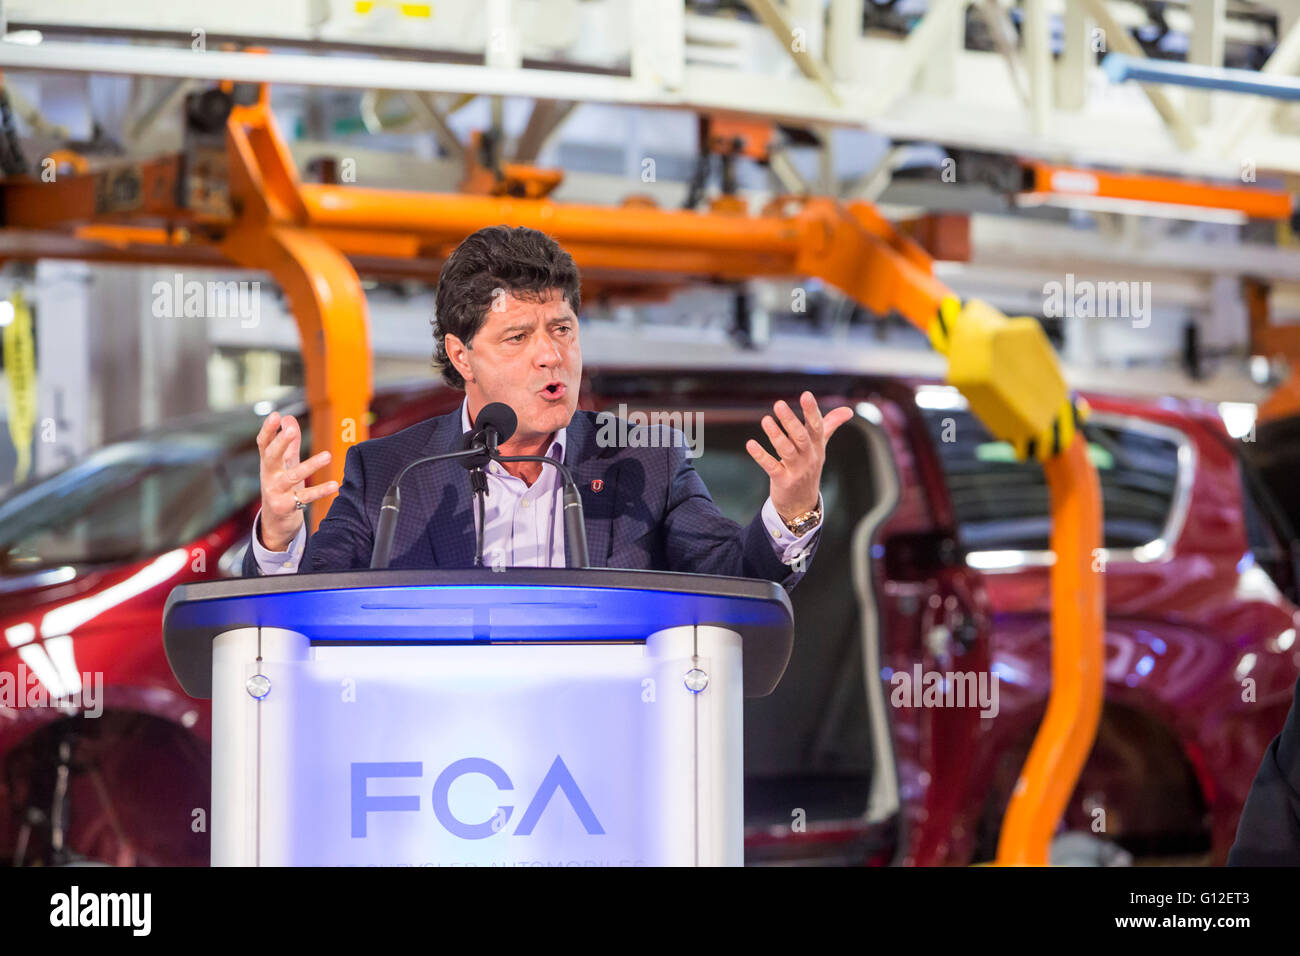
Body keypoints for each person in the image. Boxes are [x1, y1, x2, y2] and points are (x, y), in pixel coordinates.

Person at [242, 225, 852, 585]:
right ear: (462, 355)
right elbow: (311, 606)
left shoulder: (647, 460)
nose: (549, 355)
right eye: (518, 337)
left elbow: (735, 581)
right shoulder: (391, 473)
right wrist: (279, 533)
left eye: (562, 330)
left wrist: (790, 511)